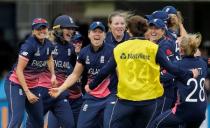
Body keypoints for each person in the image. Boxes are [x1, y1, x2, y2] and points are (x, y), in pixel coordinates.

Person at [85, 15, 198, 128]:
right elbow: (171, 68)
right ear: (146, 30)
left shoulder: (120, 48)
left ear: (128, 30)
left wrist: (91, 86)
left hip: (126, 101)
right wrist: (190, 74)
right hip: (149, 102)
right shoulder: (153, 48)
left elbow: (105, 71)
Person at [49, 21, 118, 128]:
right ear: (89, 34)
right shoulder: (84, 52)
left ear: (105, 35)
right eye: (94, 31)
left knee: (108, 125)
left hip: (110, 96)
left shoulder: (113, 51)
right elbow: (75, 75)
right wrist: (60, 89)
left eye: (100, 32)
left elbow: (120, 74)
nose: (97, 34)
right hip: (91, 97)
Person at [4, 18, 56, 128]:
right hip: (15, 84)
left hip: (33, 85)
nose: (42, 31)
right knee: (16, 119)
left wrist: (53, 75)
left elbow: (49, 58)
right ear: (33, 31)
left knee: (38, 121)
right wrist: (27, 93)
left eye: (44, 28)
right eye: (38, 29)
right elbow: (19, 70)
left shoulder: (49, 44)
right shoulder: (29, 45)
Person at [149, 33, 208, 128]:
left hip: (183, 111)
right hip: (200, 111)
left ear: (181, 50)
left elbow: (162, 77)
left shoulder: (178, 64)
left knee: (155, 124)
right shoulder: (202, 63)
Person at [42, 14, 79, 128]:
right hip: (43, 92)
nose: (71, 31)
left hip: (59, 93)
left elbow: (77, 70)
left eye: (73, 29)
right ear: (58, 29)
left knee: (69, 125)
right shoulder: (45, 45)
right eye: (68, 28)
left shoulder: (70, 48)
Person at [47, 30, 83, 128]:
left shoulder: (85, 57)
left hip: (77, 101)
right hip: (60, 99)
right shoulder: (60, 56)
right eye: (74, 41)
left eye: (79, 41)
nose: (77, 44)